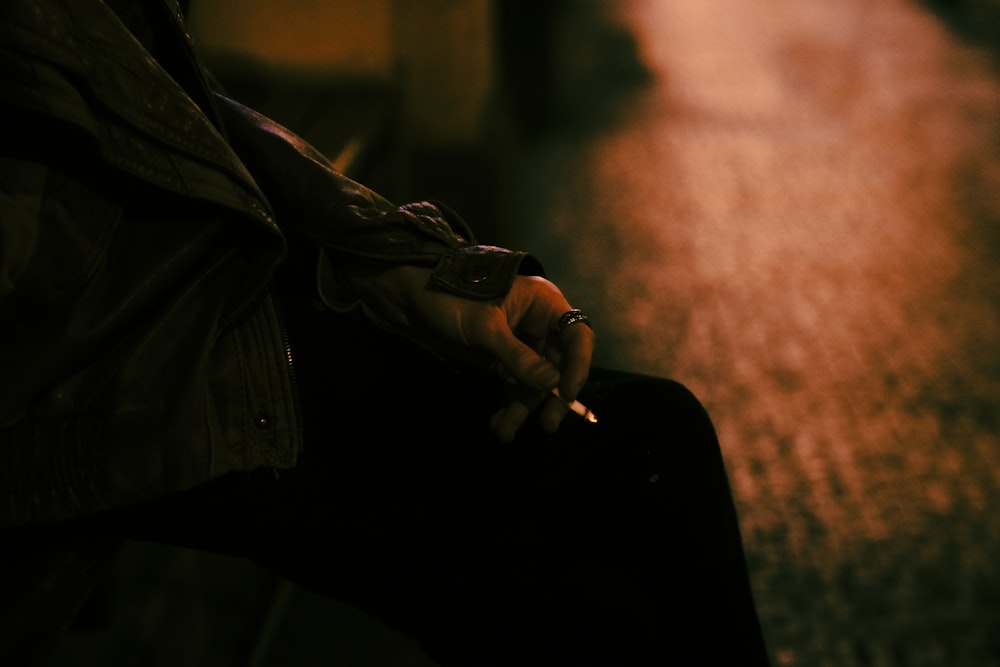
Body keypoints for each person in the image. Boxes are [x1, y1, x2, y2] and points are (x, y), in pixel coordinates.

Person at [0, 0, 771, 664]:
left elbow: (148, 87)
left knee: (652, 445)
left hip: (172, 285)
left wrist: (399, 261)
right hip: (112, 356)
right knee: (629, 474)